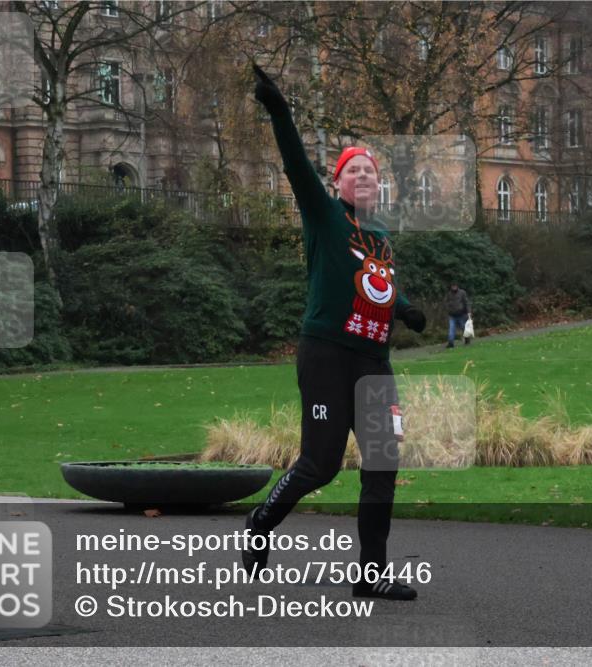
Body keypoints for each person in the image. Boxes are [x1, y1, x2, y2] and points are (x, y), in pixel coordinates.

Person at [242, 63, 426, 601]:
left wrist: (406, 309)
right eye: (354, 170)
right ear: (338, 182)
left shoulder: (381, 236)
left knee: (383, 464)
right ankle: (260, 522)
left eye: (371, 170)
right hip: (326, 353)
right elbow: (296, 163)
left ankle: (371, 576)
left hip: (374, 360)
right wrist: (280, 112)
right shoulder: (323, 216)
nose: (364, 176)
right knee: (320, 464)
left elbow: (378, 286)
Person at [445, 283, 471, 348]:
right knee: (451, 329)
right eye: (452, 286)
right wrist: (448, 309)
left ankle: (467, 339)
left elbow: (466, 302)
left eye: (455, 286)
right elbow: (446, 303)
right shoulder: (449, 294)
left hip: (461, 314)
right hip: (452, 315)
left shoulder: (462, 293)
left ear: (457, 286)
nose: (454, 287)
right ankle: (451, 343)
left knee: (463, 328)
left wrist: (469, 311)